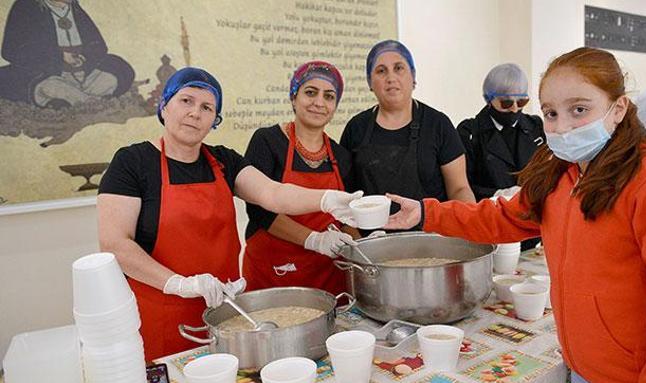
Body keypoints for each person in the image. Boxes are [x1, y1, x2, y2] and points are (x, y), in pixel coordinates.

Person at [386, 47, 646, 383]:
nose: (561, 127)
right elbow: (502, 219)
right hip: (589, 377)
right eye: (550, 113)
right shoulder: (560, 173)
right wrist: (425, 213)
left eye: (579, 110)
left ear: (618, 109)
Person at [97, 67, 361, 360]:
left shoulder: (224, 161)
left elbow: (273, 194)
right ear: (164, 105)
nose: (196, 113)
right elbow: (114, 244)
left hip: (226, 314)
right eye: (186, 101)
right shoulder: (132, 162)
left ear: (215, 119)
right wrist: (180, 285)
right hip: (159, 313)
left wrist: (326, 200)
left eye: (207, 107)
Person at [242, 61, 357, 295]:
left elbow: (348, 217)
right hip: (274, 273)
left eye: (329, 96)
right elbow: (259, 211)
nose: (319, 102)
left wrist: (361, 243)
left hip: (327, 274)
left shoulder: (341, 156)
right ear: (294, 98)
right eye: (310, 92)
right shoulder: (267, 141)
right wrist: (314, 240)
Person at [340, 39, 475, 212]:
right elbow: (345, 194)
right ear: (370, 82)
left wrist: (467, 224)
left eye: (398, 68)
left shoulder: (438, 124)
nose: (391, 78)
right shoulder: (356, 128)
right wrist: (353, 234)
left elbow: (459, 189)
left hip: (430, 235)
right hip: (373, 236)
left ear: (413, 77)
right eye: (381, 71)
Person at [457, 63, 544, 250]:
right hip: (493, 225)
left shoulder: (535, 127)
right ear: (488, 100)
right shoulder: (470, 133)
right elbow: (461, 186)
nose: (514, 109)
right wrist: (496, 195)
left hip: (531, 227)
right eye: (506, 103)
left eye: (521, 102)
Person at [0, 0, 135, 108]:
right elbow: (11, 50)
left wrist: (85, 56)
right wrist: (60, 56)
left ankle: (72, 98)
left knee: (119, 67)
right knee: (18, 80)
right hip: (46, 73)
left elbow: (98, 45)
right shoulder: (25, 6)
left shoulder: (74, 8)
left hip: (83, 74)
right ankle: (87, 100)